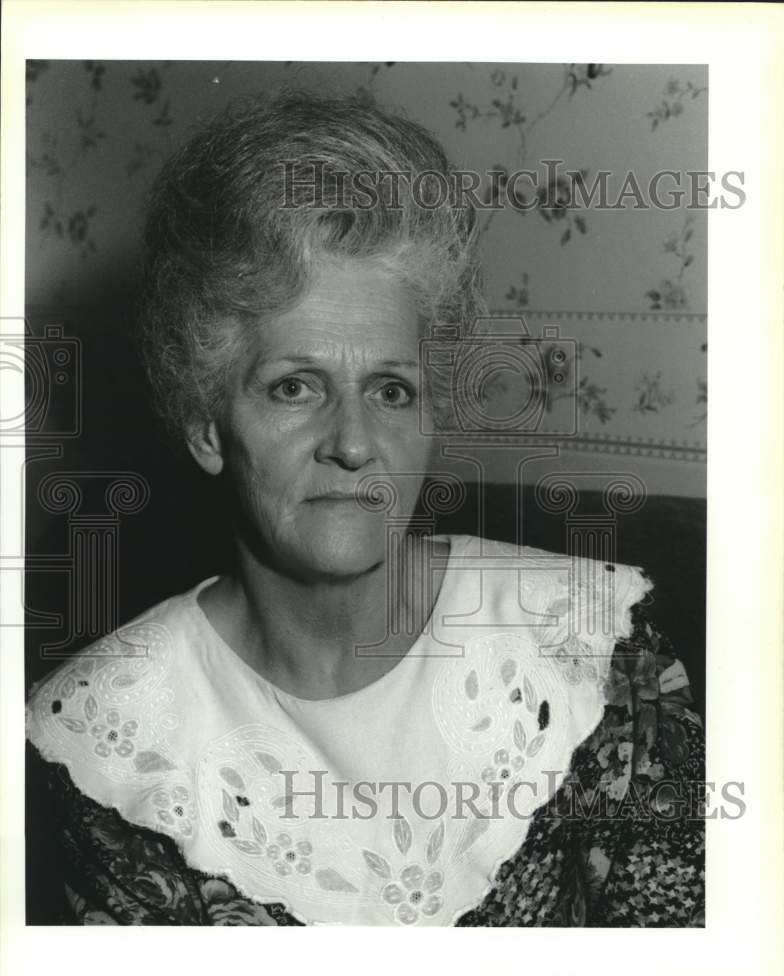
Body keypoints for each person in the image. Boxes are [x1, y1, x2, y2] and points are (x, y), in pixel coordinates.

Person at [25, 93, 704, 927]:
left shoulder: (595, 646)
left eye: (390, 389)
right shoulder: (105, 738)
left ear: (428, 421)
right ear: (207, 429)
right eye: (294, 387)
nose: (353, 442)